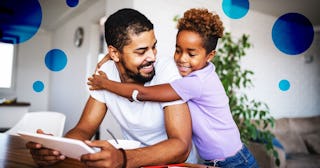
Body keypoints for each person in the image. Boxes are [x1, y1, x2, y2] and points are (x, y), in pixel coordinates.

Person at [26, 8, 198, 167]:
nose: (152, 56)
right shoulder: (105, 74)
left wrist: (123, 158)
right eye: (141, 51)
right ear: (114, 54)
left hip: (177, 165)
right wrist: (57, 150)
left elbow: (181, 146)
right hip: (135, 163)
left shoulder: (167, 70)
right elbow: (84, 128)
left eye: (154, 47)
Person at [88, 8, 259, 168]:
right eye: (178, 50)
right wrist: (109, 59)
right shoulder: (194, 72)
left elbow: (144, 93)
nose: (182, 59)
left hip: (235, 161)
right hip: (217, 160)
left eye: (191, 54)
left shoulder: (195, 82)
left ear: (210, 56)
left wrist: (105, 84)